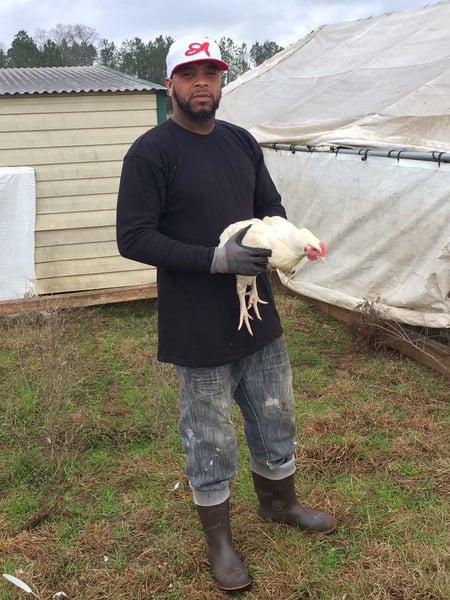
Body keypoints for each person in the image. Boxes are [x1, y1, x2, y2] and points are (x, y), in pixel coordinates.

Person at [116, 34, 337, 593]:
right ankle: (219, 540)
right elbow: (133, 238)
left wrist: (288, 239)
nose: (201, 84)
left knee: (275, 414)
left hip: (257, 311)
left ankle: (279, 504)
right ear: (170, 84)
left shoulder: (240, 142)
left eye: (211, 74)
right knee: (208, 433)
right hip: (197, 323)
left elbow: (271, 207)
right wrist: (213, 259)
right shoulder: (152, 152)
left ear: (221, 82)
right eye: (190, 74)